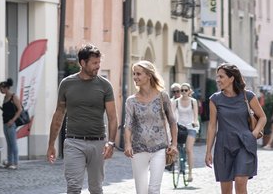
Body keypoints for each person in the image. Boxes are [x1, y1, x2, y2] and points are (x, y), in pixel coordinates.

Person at [46, 44, 118, 194]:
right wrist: (51, 143)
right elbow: (59, 114)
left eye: (99, 63)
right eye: (94, 63)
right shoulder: (66, 84)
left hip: (98, 143)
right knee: (73, 187)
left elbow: (112, 117)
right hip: (73, 142)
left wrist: (111, 143)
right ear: (82, 63)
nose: (98, 67)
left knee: (96, 189)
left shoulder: (105, 86)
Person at [205, 64, 267, 194]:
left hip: (244, 143)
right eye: (217, 77)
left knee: (240, 181)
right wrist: (208, 151)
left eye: (221, 76)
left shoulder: (248, 96)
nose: (218, 80)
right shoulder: (215, 99)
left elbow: (262, 117)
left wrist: (254, 134)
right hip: (223, 146)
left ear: (231, 78)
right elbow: (212, 126)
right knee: (226, 190)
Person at [123, 61, 178, 194]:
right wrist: (128, 144)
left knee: (154, 189)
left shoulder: (162, 96)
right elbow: (128, 124)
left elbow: (172, 121)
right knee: (141, 191)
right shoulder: (131, 100)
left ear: (148, 75)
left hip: (159, 148)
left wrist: (174, 144)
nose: (135, 77)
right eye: (134, 74)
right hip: (138, 149)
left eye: (138, 74)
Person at [174, 82, 199, 183]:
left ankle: (190, 173)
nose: (183, 92)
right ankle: (177, 165)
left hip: (191, 127)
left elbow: (196, 115)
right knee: (176, 148)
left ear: (189, 91)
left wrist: (195, 122)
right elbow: (171, 115)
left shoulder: (193, 101)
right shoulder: (176, 102)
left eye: (185, 90)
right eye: (181, 90)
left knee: (189, 149)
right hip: (180, 127)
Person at [0, 78, 22, 169]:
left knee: (13, 143)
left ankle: (15, 162)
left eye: (1, 89)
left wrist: (13, 120)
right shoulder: (5, 97)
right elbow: (6, 111)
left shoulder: (13, 97)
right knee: (9, 143)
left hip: (11, 123)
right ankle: (10, 162)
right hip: (5, 122)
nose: (0, 90)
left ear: (6, 88)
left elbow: (19, 110)